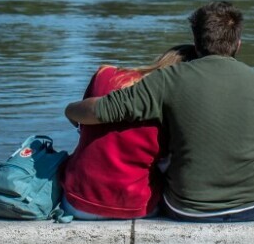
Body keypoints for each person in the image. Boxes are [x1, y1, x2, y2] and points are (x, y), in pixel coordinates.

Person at [65, 1, 254, 222]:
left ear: (196, 43)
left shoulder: (170, 79)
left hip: (189, 208)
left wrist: (70, 110)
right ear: (238, 44)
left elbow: (103, 110)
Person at [60, 44, 197, 220]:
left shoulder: (105, 75)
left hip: (78, 203)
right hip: (136, 207)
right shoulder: (172, 104)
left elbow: (82, 127)